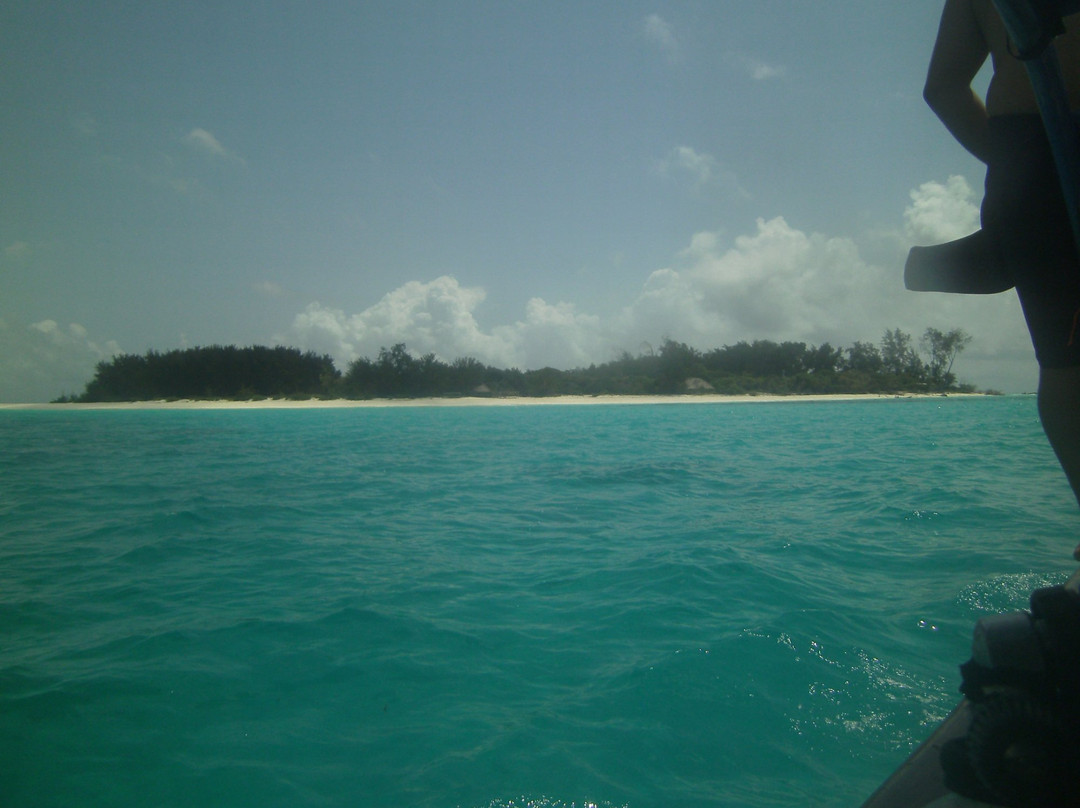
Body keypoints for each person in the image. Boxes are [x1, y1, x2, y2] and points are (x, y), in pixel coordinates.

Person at [924, 0, 1080, 554]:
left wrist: (1017, 165)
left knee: (1066, 366)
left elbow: (943, 88)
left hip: (1030, 149)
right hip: (1035, 155)